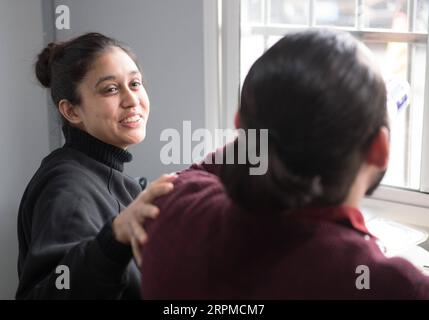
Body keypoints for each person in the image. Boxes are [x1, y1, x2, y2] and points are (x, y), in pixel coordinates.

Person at [140, 29, 429, 299]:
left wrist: (269, 127)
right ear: (380, 149)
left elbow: (218, 163)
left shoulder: (176, 206)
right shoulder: (388, 285)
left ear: (240, 126)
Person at [16, 32, 176, 299]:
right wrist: (113, 241)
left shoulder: (103, 173)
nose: (131, 99)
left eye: (135, 83)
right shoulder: (68, 190)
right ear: (72, 111)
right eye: (111, 89)